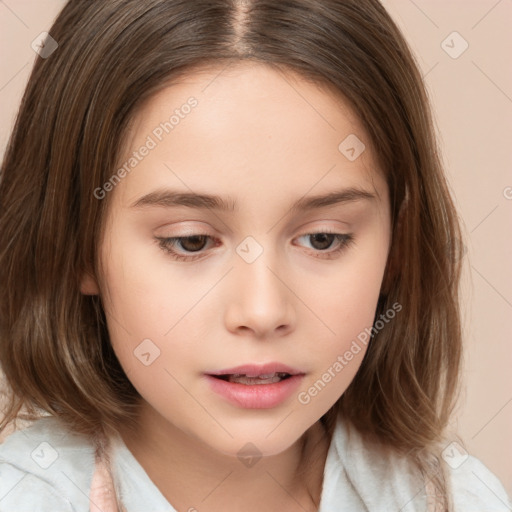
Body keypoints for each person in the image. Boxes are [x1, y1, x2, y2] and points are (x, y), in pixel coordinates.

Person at [0, 1, 510, 511]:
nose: (263, 311)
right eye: (191, 241)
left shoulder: (454, 497)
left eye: (323, 238)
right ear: (75, 246)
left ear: (396, 246)